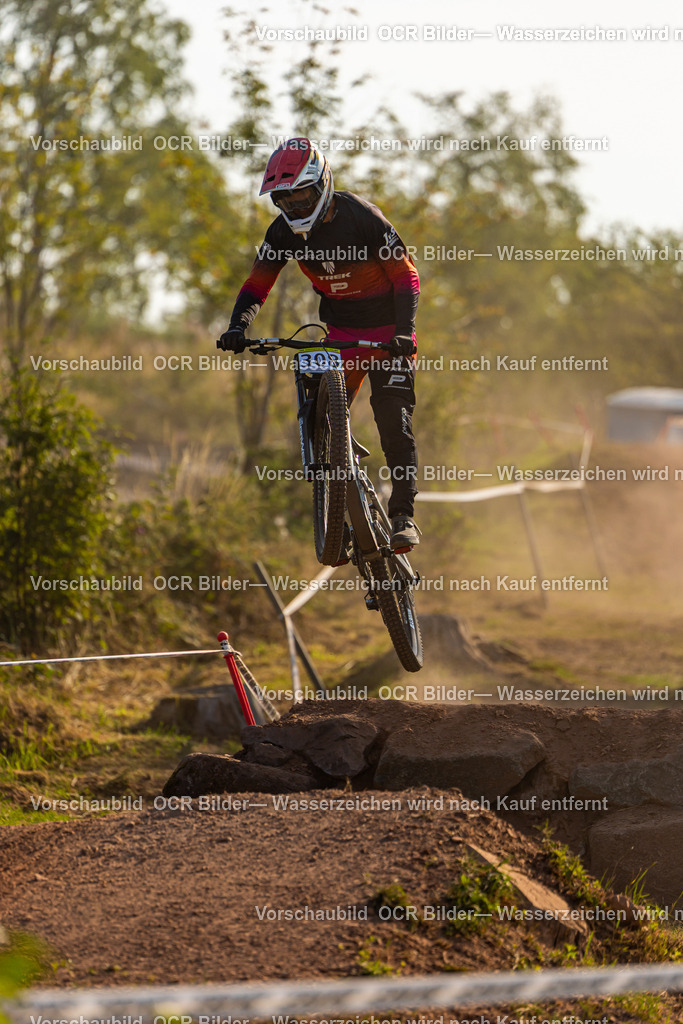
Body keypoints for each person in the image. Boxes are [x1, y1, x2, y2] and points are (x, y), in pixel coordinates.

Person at [218, 137, 421, 549]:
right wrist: (238, 325)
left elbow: (406, 276)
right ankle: (340, 513)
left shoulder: (362, 216)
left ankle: (403, 516)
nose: (293, 209)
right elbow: (258, 284)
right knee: (317, 414)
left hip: (388, 334)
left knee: (392, 420)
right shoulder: (282, 233)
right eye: (284, 202)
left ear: (323, 182)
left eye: (301, 199)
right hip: (341, 332)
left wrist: (404, 331)